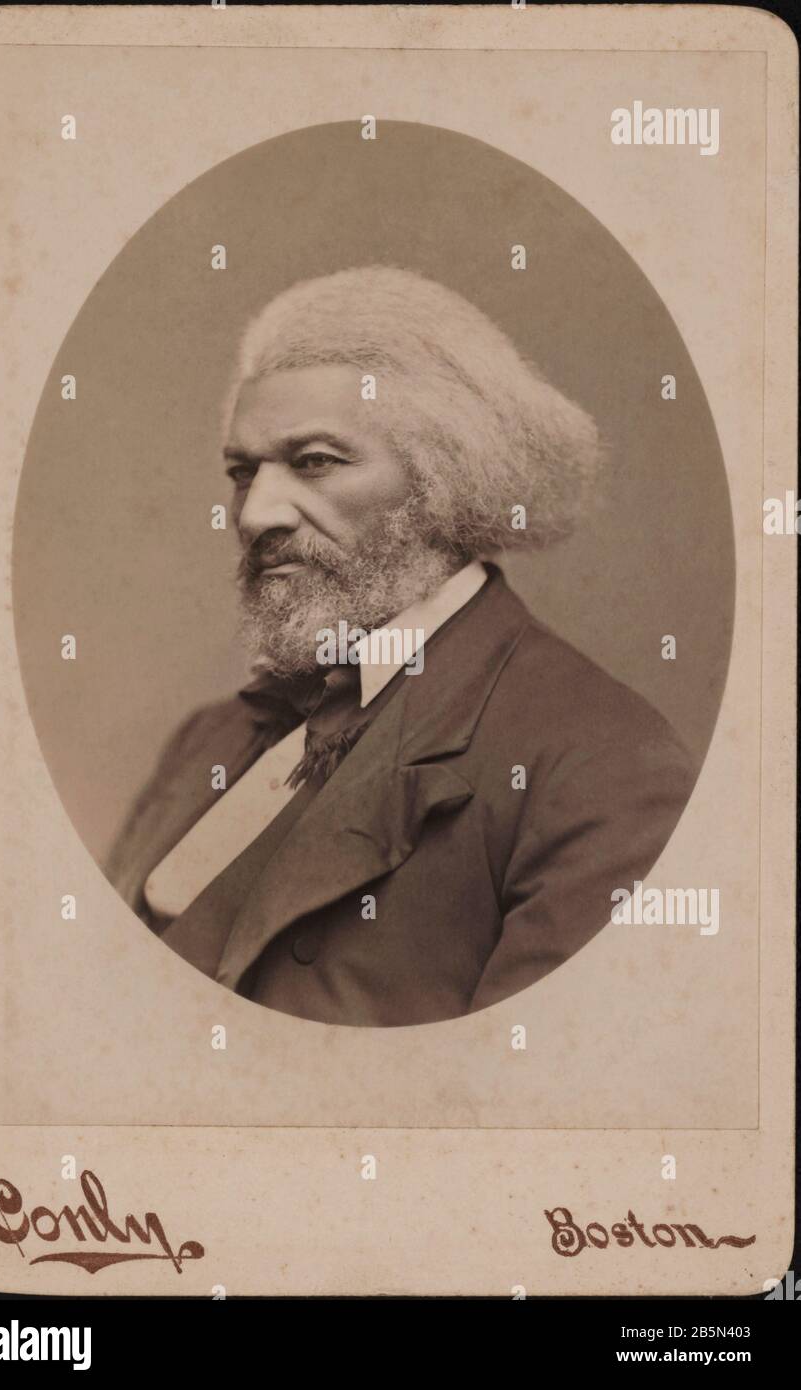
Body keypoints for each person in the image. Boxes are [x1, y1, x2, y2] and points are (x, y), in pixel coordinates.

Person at [106, 265, 695, 1026]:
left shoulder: (601, 765)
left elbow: (533, 1101)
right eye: (241, 471)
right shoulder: (210, 738)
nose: (256, 514)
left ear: (442, 478)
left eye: (314, 461)